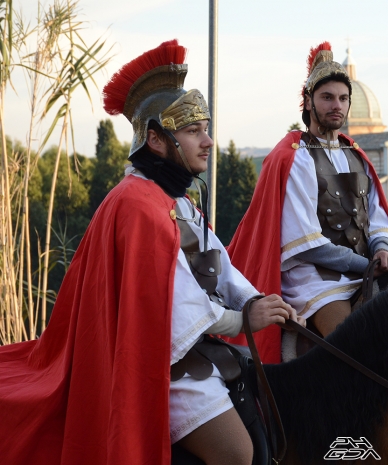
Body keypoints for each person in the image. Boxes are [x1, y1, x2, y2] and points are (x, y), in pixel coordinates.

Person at [0, 39, 302, 465]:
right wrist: (242, 319)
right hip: (160, 360)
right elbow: (173, 307)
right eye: (194, 131)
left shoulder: (176, 199)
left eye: (206, 129)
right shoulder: (137, 204)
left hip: (194, 345)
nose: (209, 141)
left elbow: (221, 265)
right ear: (157, 141)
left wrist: (257, 300)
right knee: (237, 453)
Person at [227, 41, 388, 362]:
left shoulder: (356, 156)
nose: (337, 105)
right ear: (308, 102)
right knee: (352, 350)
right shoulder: (297, 158)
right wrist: (367, 267)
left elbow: (375, 218)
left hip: (365, 269)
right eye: (327, 97)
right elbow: (307, 244)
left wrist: (383, 250)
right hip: (315, 282)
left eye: (343, 98)